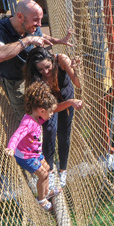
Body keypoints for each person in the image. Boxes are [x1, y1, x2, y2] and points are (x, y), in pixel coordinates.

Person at [0, 0, 73, 123]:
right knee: (26, 117)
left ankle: (42, 137)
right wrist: (27, 41)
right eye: (35, 20)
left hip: (35, 76)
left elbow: (41, 35)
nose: (39, 24)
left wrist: (59, 40)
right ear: (20, 16)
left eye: (40, 19)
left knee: (44, 110)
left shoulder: (31, 28)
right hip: (16, 81)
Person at [24, 47, 83, 187]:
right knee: (49, 131)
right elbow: (50, 108)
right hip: (49, 105)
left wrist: (77, 70)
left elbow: (78, 83)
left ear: (52, 61)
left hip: (66, 97)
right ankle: (49, 170)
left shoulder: (61, 60)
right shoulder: (35, 80)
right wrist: (70, 103)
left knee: (64, 134)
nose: (45, 72)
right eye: (40, 69)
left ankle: (63, 170)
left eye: (47, 67)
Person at [5, 81, 61, 212]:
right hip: (26, 157)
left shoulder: (37, 118)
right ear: (42, 111)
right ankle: (41, 199)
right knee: (43, 175)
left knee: (47, 168)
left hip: (35, 153)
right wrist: (11, 147)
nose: (52, 114)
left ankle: (46, 191)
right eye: (50, 112)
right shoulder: (28, 123)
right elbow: (17, 135)